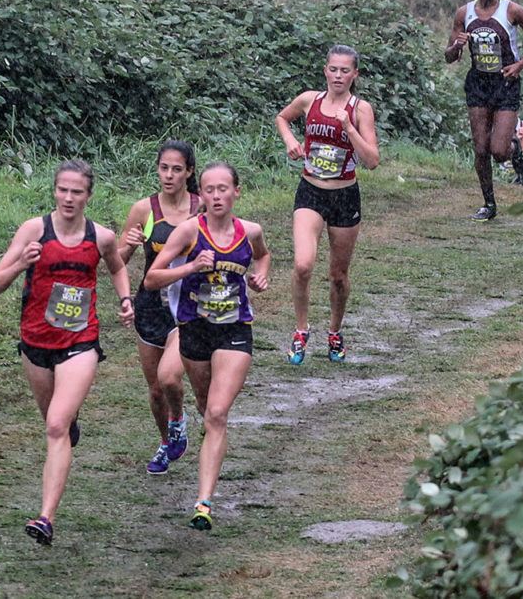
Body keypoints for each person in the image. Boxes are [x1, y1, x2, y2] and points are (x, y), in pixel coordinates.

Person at [0, 160, 134, 546]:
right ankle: (68, 427)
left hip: (80, 342)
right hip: (35, 342)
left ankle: (45, 517)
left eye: (77, 192)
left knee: (55, 426)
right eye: (63, 190)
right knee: (56, 423)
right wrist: (22, 262)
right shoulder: (34, 230)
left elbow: (117, 265)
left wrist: (125, 298)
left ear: (89, 195)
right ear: (54, 191)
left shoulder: (100, 237)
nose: (69, 198)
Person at [143, 162, 271, 531]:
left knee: (216, 413)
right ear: (203, 194)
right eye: (210, 190)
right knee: (203, 405)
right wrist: (190, 268)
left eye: (223, 189)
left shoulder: (250, 231)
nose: (216, 196)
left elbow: (263, 255)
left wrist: (262, 274)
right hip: (194, 330)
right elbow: (152, 279)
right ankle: (205, 441)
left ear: (236, 192)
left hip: (234, 330)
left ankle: (203, 503)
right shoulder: (188, 231)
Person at [275, 44, 379, 364]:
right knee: (303, 264)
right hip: (310, 191)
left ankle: (334, 331)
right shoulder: (310, 100)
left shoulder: (361, 109)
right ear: (325, 71)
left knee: (338, 275)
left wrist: (349, 128)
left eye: (345, 70)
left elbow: (372, 160)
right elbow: (282, 117)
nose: (338, 75)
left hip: (345, 196)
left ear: (354, 75)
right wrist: (291, 140)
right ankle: (301, 330)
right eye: (333, 69)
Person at [118, 140, 201, 475]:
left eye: (176, 169)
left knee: (170, 379)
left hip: (190, 307)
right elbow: (117, 262)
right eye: (164, 168)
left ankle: (180, 418)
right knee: (155, 391)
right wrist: (128, 245)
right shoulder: (144, 209)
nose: (169, 175)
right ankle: (167, 442)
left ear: (189, 172)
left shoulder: (202, 207)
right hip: (150, 306)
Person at [445, 0, 523, 221]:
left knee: (498, 151)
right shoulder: (463, 13)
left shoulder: (512, 10)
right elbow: (449, 56)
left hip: (505, 83)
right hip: (478, 83)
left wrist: (520, 65)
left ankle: (515, 149)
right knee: (481, 149)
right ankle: (489, 203)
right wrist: (457, 45)